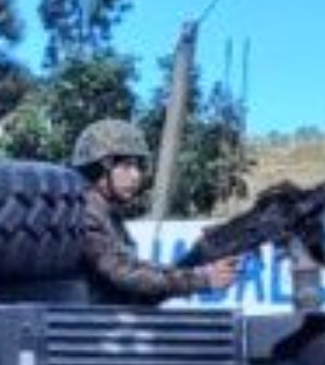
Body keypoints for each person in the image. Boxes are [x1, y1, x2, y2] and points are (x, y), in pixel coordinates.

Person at [72, 119, 242, 304]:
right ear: (100, 168)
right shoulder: (84, 212)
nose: (136, 176)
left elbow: (141, 290)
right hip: (90, 320)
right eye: (126, 166)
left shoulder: (106, 214)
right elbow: (126, 275)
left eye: (138, 166)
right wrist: (202, 279)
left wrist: (198, 255)